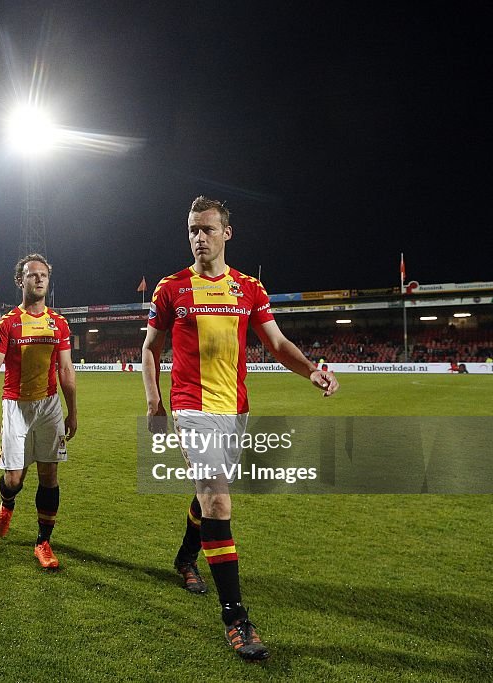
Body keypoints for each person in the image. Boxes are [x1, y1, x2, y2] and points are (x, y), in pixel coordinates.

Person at [141, 197, 339, 662]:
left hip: (235, 410)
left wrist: (310, 370)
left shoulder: (249, 289)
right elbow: (150, 348)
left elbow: (277, 342)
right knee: (217, 496)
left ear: (227, 233)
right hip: (191, 407)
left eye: (208, 229)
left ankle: (186, 558)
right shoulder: (171, 289)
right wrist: (154, 399)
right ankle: (236, 618)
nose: (199, 237)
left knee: (209, 495)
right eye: (192, 229)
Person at [0, 254, 77, 569]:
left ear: (48, 281)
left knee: (49, 476)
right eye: (31, 274)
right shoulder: (8, 321)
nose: (38, 279)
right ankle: (7, 503)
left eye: (43, 275)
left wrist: (72, 411)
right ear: (20, 281)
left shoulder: (59, 322)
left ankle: (43, 543)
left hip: (49, 406)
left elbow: (65, 369)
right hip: (15, 406)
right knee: (13, 478)